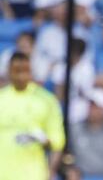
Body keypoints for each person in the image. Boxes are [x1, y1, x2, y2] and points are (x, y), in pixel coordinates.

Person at [0, 52, 65, 180]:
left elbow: (57, 142)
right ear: (9, 71)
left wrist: (50, 171)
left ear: (31, 71)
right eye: (16, 71)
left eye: (24, 71)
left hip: (33, 174)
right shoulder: (1, 98)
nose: (20, 76)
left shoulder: (46, 100)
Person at [69, 87, 103, 177]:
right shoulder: (75, 129)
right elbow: (66, 155)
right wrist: (69, 170)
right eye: (90, 105)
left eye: (95, 106)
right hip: (82, 176)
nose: (91, 109)